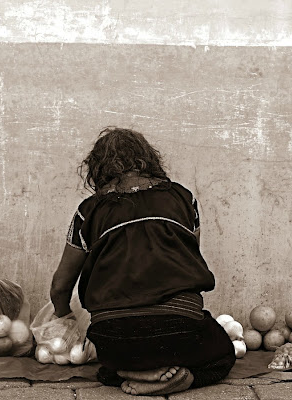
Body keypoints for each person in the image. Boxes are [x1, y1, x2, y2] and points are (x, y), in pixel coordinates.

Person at [49, 127, 235, 396]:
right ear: (148, 160)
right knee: (222, 356)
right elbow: (188, 255)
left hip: (115, 338)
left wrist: (63, 320)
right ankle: (181, 376)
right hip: (180, 330)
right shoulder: (184, 199)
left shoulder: (88, 211)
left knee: (107, 366)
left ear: (98, 169)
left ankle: (128, 371)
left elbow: (59, 287)